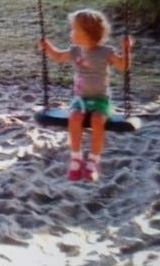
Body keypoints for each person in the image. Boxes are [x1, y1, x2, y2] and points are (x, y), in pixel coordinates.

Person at [39, 9, 133, 181]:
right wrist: (48, 48)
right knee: (74, 118)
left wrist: (126, 50)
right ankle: (76, 158)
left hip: (100, 100)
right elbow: (59, 56)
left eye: (74, 29)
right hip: (80, 99)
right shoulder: (75, 51)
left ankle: (93, 161)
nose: (71, 32)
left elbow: (123, 66)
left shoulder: (105, 52)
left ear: (87, 33)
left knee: (98, 121)